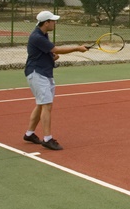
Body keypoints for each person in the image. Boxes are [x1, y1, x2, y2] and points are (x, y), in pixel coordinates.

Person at [23, 11, 87, 150]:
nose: (54, 23)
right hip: (37, 73)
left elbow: (45, 53)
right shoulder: (37, 37)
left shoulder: (43, 34)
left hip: (43, 72)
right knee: (46, 105)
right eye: (53, 21)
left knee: (41, 104)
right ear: (46, 23)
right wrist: (77, 48)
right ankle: (48, 139)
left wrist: (51, 58)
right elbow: (56, 49)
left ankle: (29, 134)